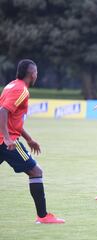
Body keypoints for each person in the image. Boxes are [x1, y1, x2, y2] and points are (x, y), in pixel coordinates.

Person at [0, 59, 65, 224]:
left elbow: (11, 118)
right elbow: (3, 111)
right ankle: (43, 217)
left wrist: (29, 139)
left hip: (5, 138)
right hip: (7, 141)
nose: (37, 75)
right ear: (32, 74)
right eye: (36, 73)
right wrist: (7, 138)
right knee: (36, 171)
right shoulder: (22, 90)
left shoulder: (11, 85)